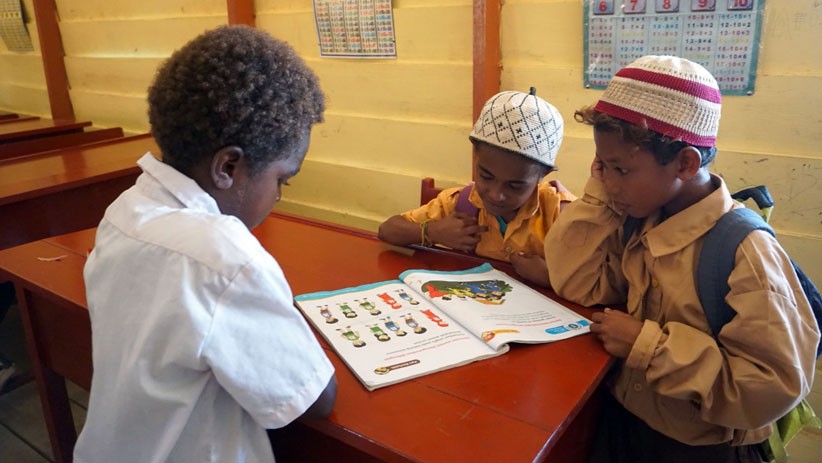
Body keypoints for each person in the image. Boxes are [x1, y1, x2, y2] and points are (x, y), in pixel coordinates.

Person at [73, 26, 337, 463]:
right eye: (281, 180)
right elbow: (315, 399)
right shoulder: (224, 256)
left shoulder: (125, 210)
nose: (278, 197)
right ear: (228, 166)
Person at [544, 55, 819, 462]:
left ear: (685, 163)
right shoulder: (640, 216)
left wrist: (648, 346)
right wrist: (602, 191)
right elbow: (577, 284)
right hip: (624, 424)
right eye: (601, 164)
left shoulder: (745, 252)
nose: (606, 181)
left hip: (699, 451)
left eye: (619, 168)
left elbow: (770, 387)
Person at [378, 88, 574, 284]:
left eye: (515, 186)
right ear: (475, 157)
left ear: (543, 174)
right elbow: (387, 230)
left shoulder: (562, 215)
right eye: (486, 176)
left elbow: (599, 286)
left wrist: (550, 278)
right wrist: (433, 232)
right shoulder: (459, 204)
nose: (496, 195)